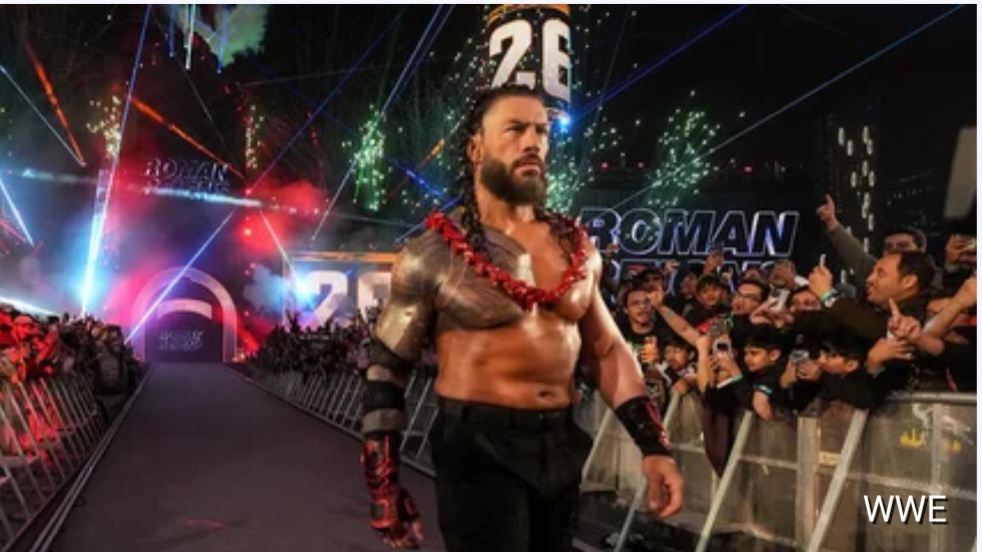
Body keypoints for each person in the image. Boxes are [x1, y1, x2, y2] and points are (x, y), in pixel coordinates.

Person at [358, 84, 684, 552]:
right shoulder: (433, 253)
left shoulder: (576, 247)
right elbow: (386, 369)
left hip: (560, 444)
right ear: (476, 149)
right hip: (478, 451)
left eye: (541, 131)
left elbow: (608, 350)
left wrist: (654, 446)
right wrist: (382, 485)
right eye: (515, 129)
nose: (533, 142)